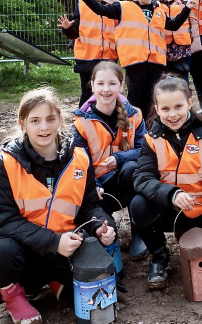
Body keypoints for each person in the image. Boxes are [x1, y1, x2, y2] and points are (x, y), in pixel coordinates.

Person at [0, 88, 117, 323]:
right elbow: (3, 221)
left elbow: (88, 205)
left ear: (59, 120)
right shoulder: (6, 163)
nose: (44, 127)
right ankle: (14, 297)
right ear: (23, 124)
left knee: (86, 291)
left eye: (50, 119)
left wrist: (99, 226)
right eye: (35, 121)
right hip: (22, 249)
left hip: (62, 248)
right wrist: (53, 241)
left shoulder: (79, 158)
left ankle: (54, 280)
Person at [131, 76, 202, 289]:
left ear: (189, 104)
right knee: (139, 204)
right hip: (169, 211)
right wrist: (171, 194)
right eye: (165, 109)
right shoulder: (151, 140)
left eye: (178, 106)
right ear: (157, 108)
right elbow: (142, 178)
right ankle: (160, 257)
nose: (172, 114)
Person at [67, 0, 195, 117]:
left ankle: (151, 129)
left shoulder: (158, 9)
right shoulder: (122, 7)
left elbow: (173, 25)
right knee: (136, 99)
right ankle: (134, 128)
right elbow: (100, 9)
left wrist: (187, 8)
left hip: (157, 63)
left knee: (153, 99)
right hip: (136, 63)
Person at [71, 62, 149, 260]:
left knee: (132, 168)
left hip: (128, 183)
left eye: (112, 84)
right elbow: (79, 162)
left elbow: (146, 150)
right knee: (102, 236)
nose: (106, 89)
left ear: (121, 86)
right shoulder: (80, 123)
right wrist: (93, 185)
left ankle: (138, 233)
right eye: (101, 84)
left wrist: (118, 158)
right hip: (98, 190)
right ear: (92, 85)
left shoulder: (135, 115)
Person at [59, 0, 118, 107]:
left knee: (107, 94)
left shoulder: (114, 6)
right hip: (87, 59)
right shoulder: (82, 6)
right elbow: (75, 34)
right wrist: (67, 28)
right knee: (87, 94)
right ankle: (82, 123)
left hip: (109, 59)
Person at [155, 0, 201, 81]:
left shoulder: (182, 4)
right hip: (162, 48)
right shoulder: (154, 5)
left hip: (180, 50)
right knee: (161, 80)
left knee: (181, 79)